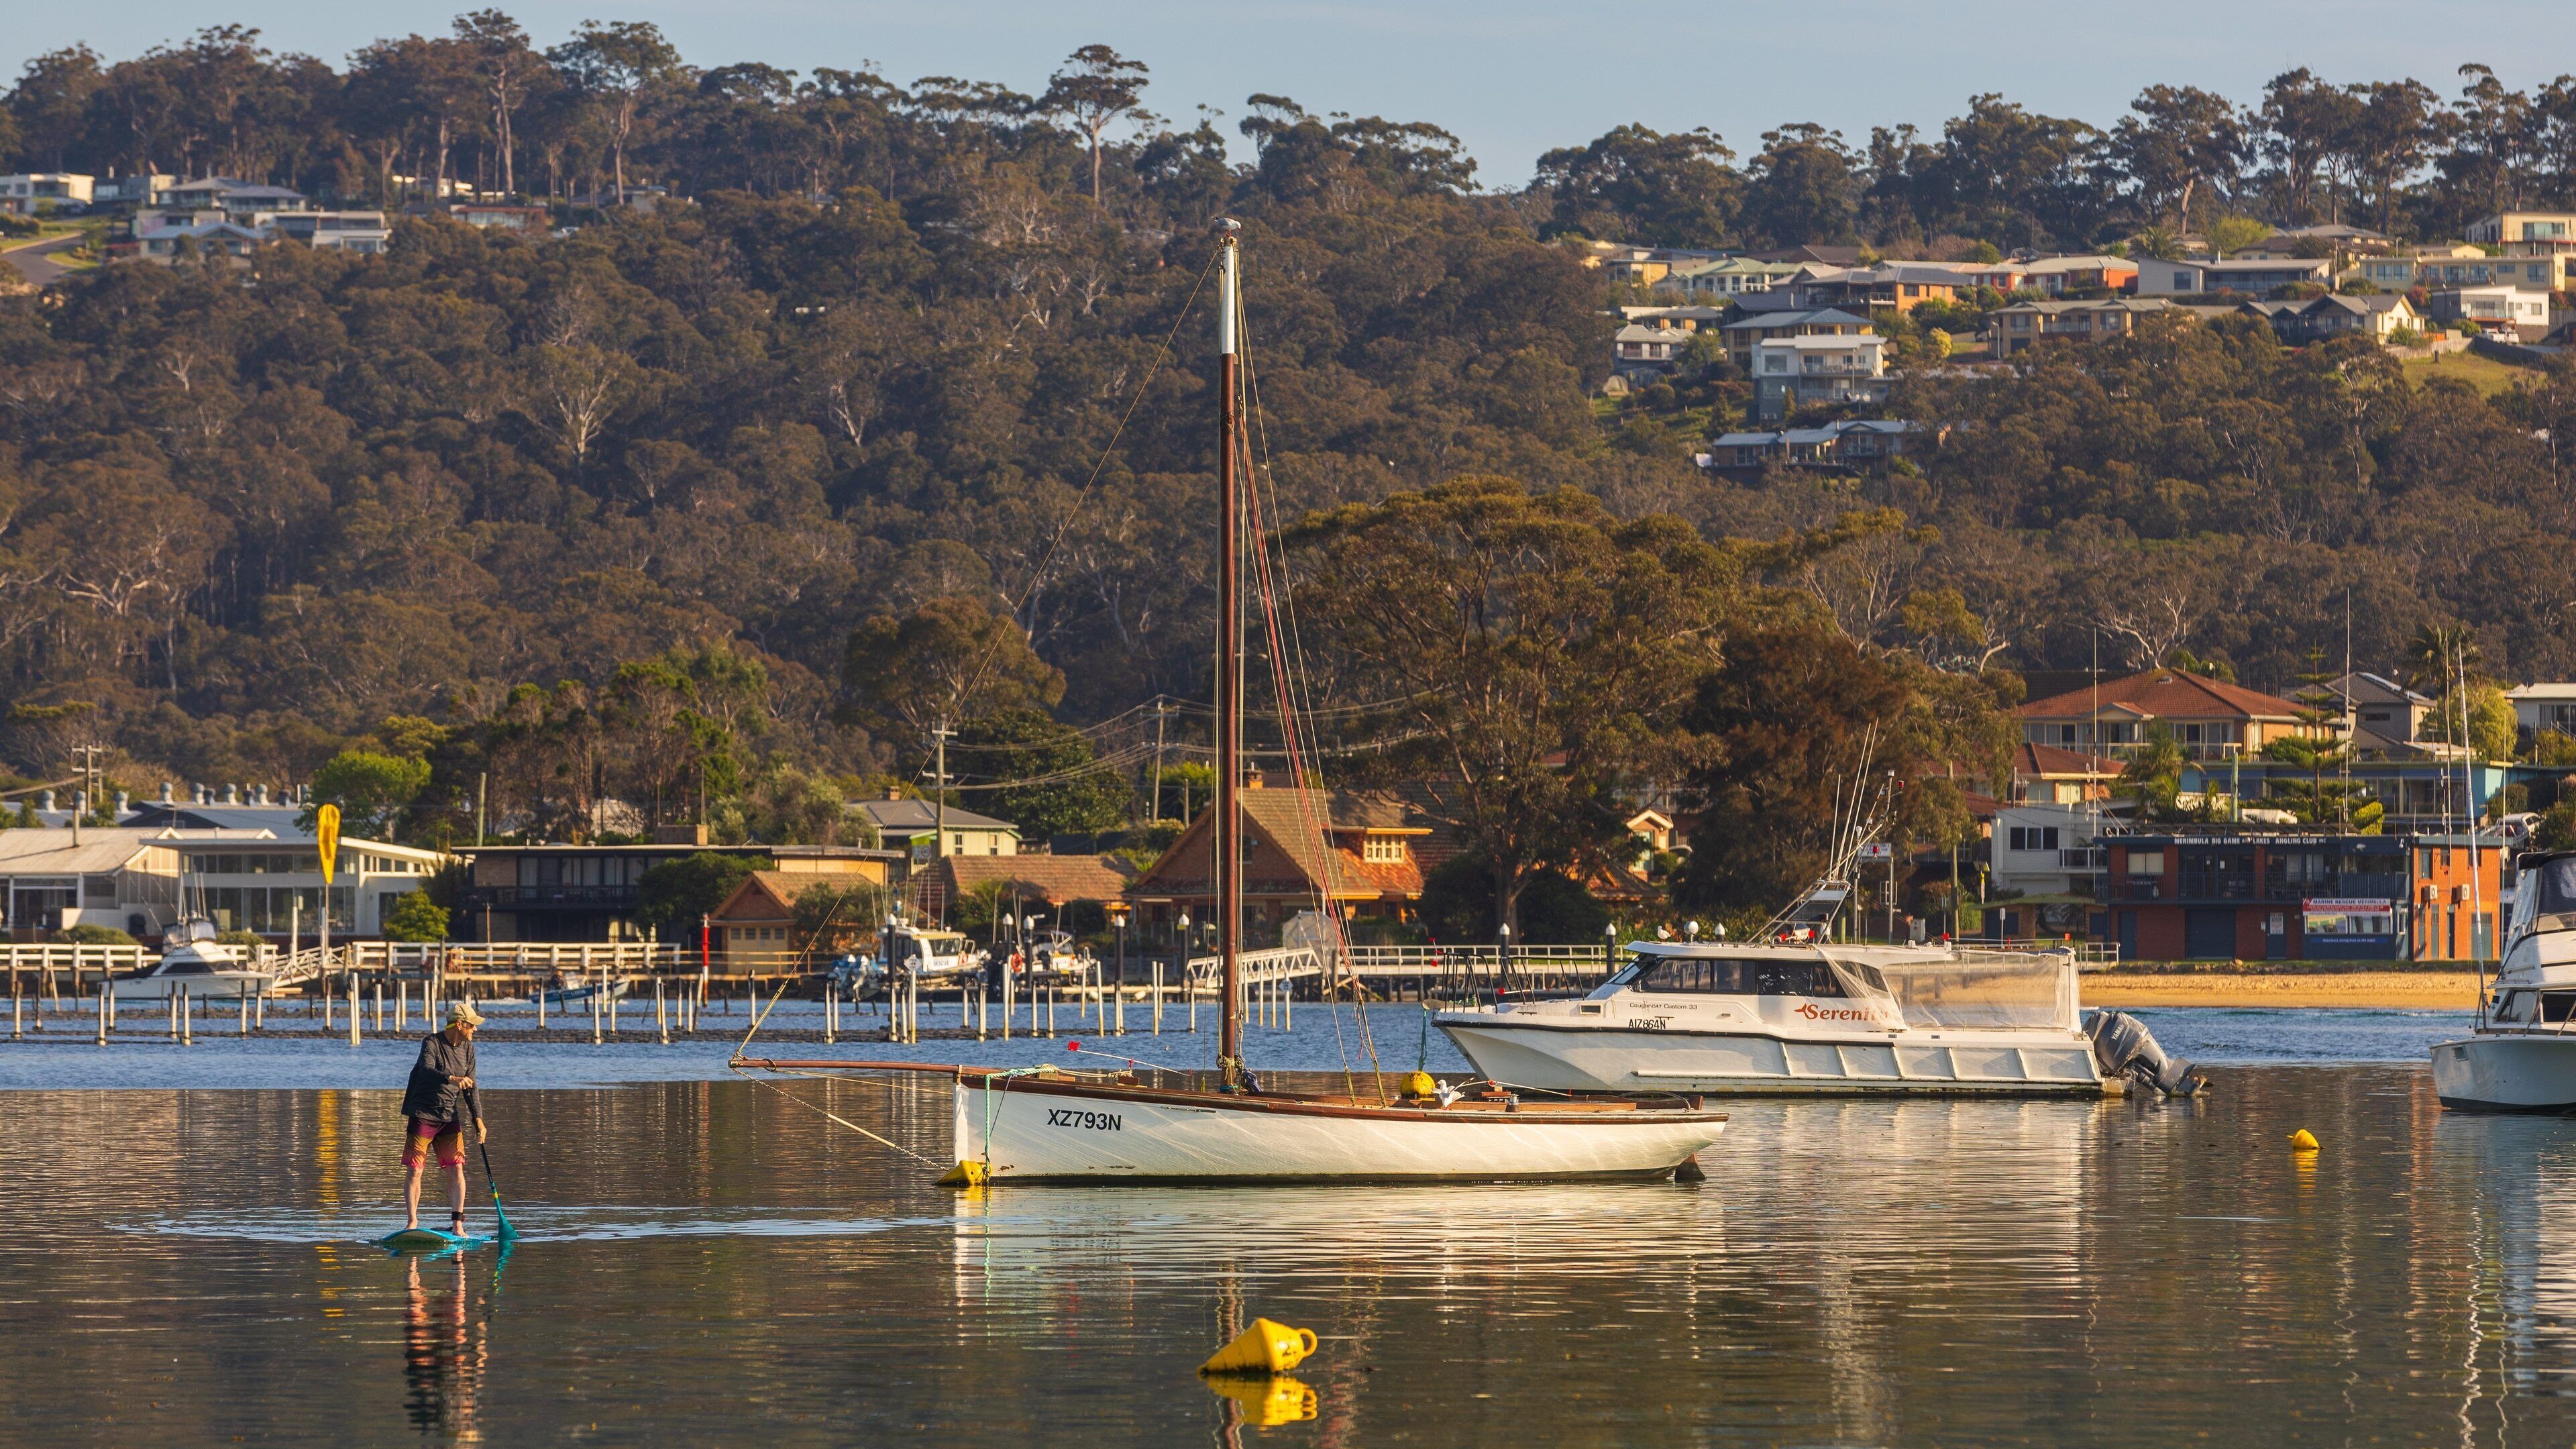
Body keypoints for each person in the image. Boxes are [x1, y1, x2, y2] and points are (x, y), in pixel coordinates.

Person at [401, 1001, 486, 1235]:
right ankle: (412, 1223)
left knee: (457, 1169)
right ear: (459, 1024)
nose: (475, 1030)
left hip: (449, 1116)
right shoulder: (432, 1043)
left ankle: (458, 1225)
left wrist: (478, 1119)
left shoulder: (469, 1049)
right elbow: (427, 1070)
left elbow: (471, 1087)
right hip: (423, 1113)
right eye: (471, 1025)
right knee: (416, 1170)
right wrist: (451, 1078)